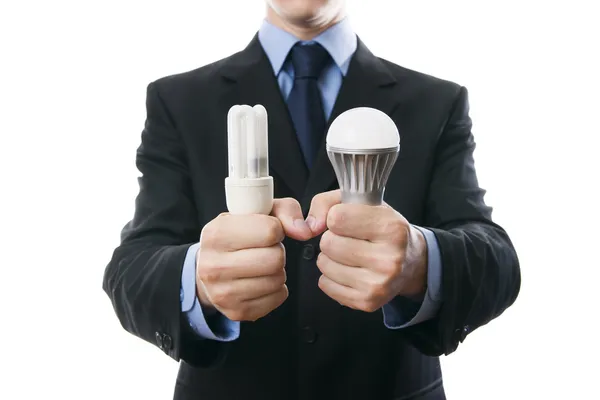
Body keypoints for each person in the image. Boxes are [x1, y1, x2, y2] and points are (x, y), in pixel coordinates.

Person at [102, 1, 521, 399]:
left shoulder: (437, 102)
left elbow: (497, 261)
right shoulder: (178, 100)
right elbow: (130, 271)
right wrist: (197, 280)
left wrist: (420, 262)